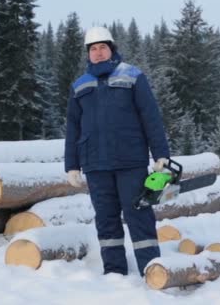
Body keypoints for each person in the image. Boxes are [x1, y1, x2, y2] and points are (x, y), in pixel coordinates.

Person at [64, 26, 170, 277]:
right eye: (93, 49)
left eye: (103, 47)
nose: (98, 53)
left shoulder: (133, 76)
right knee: (106, 219)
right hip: (95, 164)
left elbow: (150, 117)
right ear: (88, 54)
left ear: (112, 49)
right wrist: (72, 165)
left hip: (130, 161)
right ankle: (114, 273)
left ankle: (151, 270)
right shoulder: (80, 85)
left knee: (139, 215)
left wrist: (161, 155)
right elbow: (73, 127)